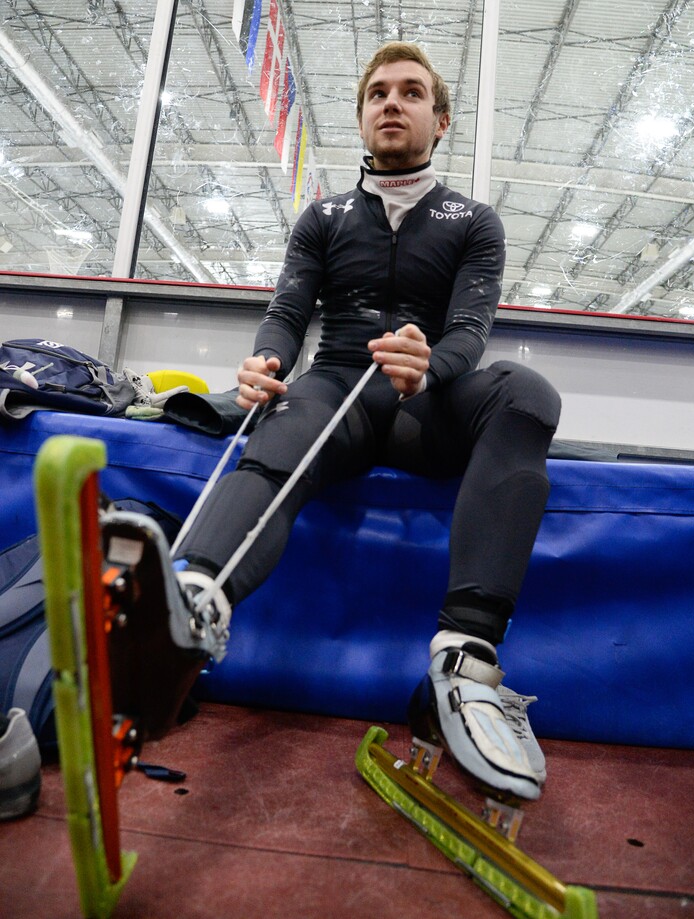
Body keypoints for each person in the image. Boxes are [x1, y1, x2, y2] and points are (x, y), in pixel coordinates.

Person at [170, 41, 561, 801]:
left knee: (528, 392)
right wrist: (266, 362)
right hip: (335, 389)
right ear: (360, 117)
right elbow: (288, 311)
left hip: (428, 401)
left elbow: (470, 329)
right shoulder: (322, 218)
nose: (392, 102)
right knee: (285, 419)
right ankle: (190, 601)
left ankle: (466, 660)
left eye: (411, 92)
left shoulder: (475, 221)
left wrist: (431, 366)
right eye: (378, 92)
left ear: (439, 121)